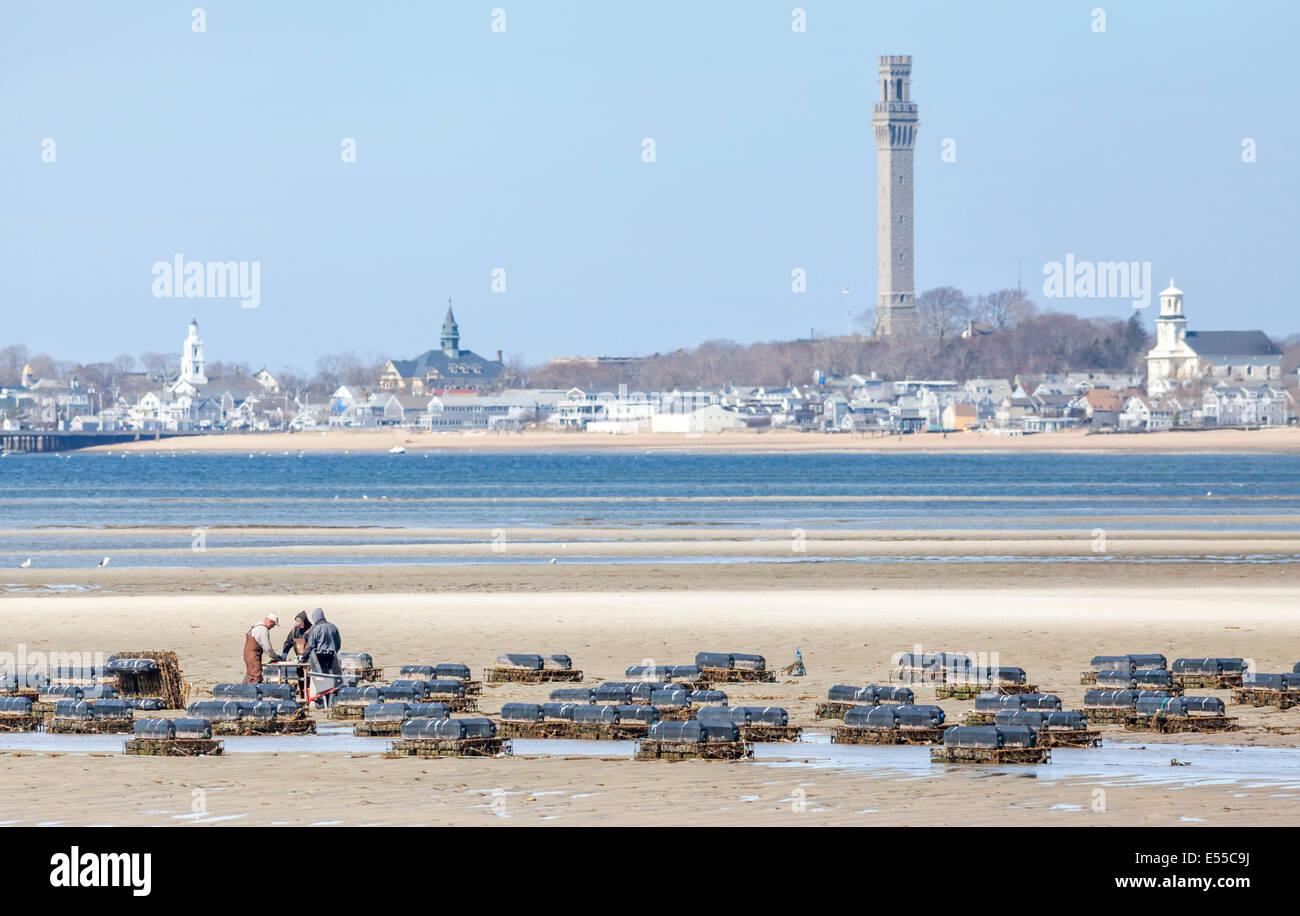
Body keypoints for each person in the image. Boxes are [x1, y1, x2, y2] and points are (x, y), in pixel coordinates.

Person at [304, 608, 342, 706]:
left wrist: (303, 656)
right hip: (333, 657)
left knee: (316, 679)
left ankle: (315, 702)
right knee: (332, 680)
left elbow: (311, 646)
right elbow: (338, 643)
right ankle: (331, 701)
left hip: (318, 659)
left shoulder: (315, 629)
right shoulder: (333, 627)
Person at [243, 613, 282, 684]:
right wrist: (275, 657)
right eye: (273, 625)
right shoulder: (263, 629)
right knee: (256, 676)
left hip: (248, 655)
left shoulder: (256, 626)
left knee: (250, 676)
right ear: (270, 621)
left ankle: (247, 691)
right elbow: (267, 648)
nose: (272, 627)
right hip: (253, 656)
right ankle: (253, 693)